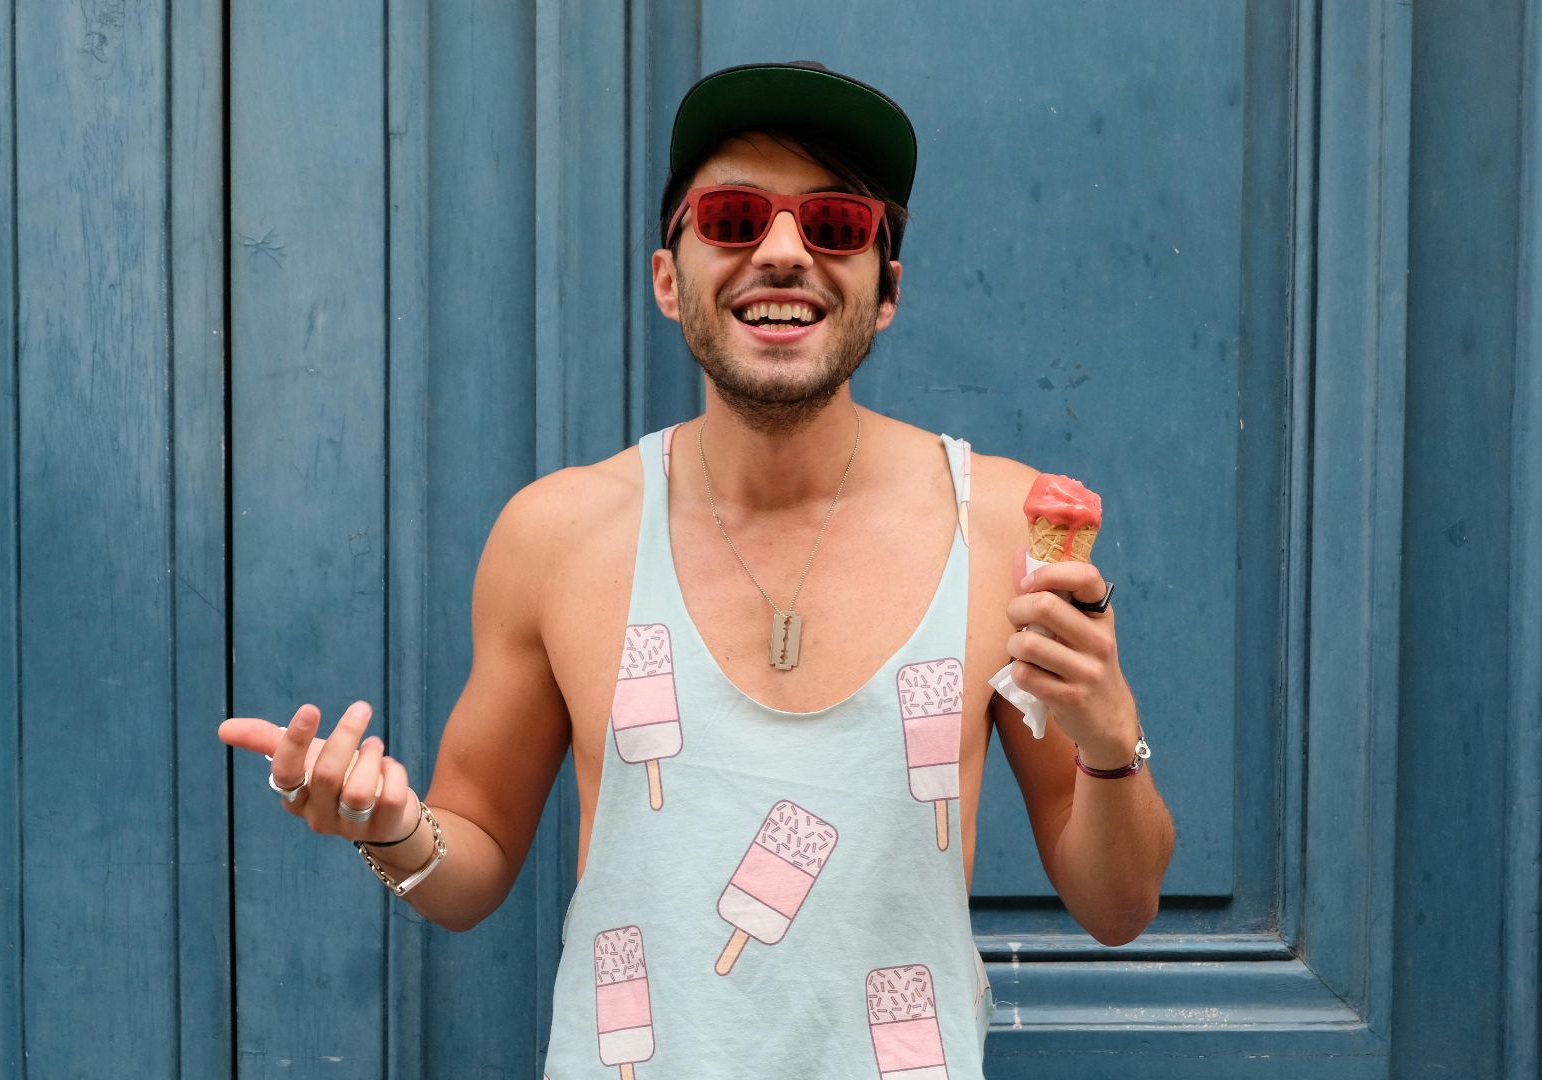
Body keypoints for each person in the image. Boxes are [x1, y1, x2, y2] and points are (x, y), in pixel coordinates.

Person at [218, 60, 1174, 1075]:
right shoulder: (559, 535)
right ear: (669, 279)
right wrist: (394, 832)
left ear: (885, 292)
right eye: (730, 217)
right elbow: (473, 867)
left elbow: (1117, 910)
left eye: (836, 227)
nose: (781, 252)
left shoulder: (1000, 532)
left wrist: (1111, 746)